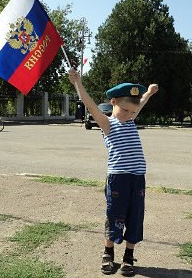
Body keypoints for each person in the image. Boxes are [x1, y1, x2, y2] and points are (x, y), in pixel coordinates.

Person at [68, 68, 158, 276]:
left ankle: (128, 256)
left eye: (133, 112)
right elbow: (90, 104)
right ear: (114, 103)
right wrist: (77, 83)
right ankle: (108, 253)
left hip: (137, 179)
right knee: (114, 215)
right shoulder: (107, 123)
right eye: (126, 110)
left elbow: (139, 103)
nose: (130, 115)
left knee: (135, 216)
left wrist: (149, 94)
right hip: (118, 179)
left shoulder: (131, 118)